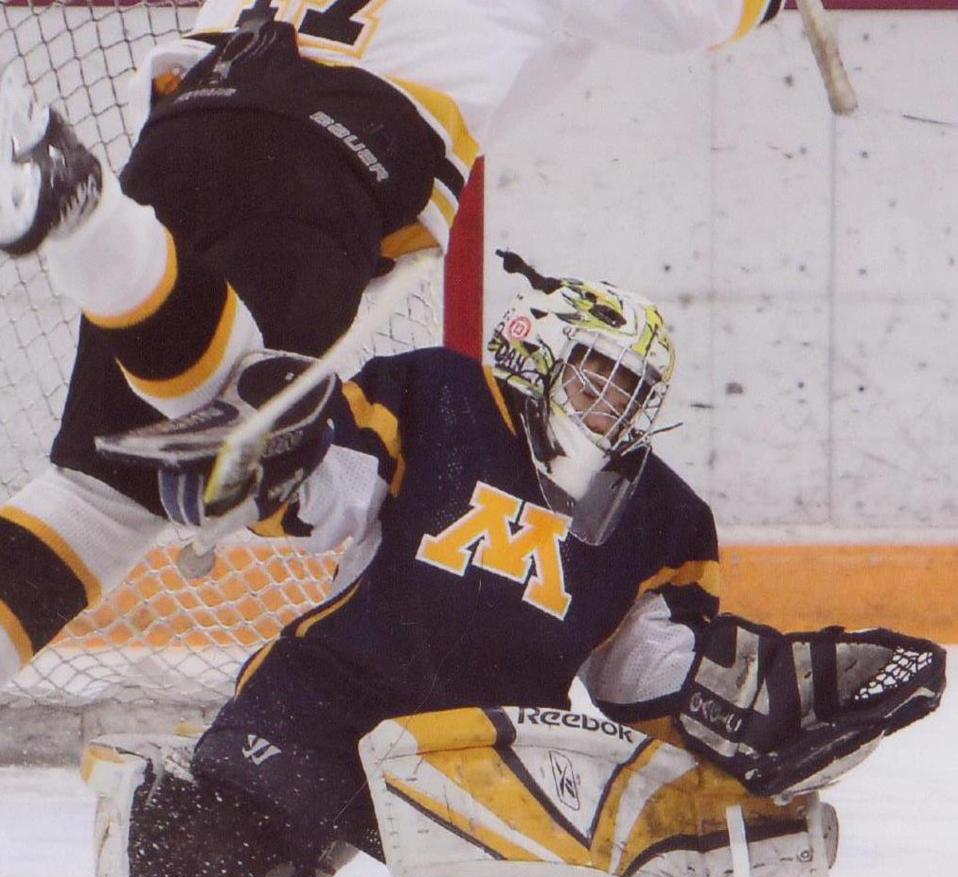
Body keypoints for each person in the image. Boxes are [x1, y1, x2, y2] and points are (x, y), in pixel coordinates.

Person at [78, 253, 944, 877]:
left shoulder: (661, 515)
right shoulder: (439, 395)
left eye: (632, 393)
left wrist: (765, 690)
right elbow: (330, 490)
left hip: (486, 746)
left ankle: (673, 853)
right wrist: (269, 467)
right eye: (598, 376)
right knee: (177, 865)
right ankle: (298, 840)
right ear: (537, 345)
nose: (613, 408)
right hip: (331, 694)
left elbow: (640, 675)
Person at [0, 0, 784, 682]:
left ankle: (94, 224)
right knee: (241, 428)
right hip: (338, 150)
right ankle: (83, 215)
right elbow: (696, 15)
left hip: (184, 124)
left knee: (100, 498)